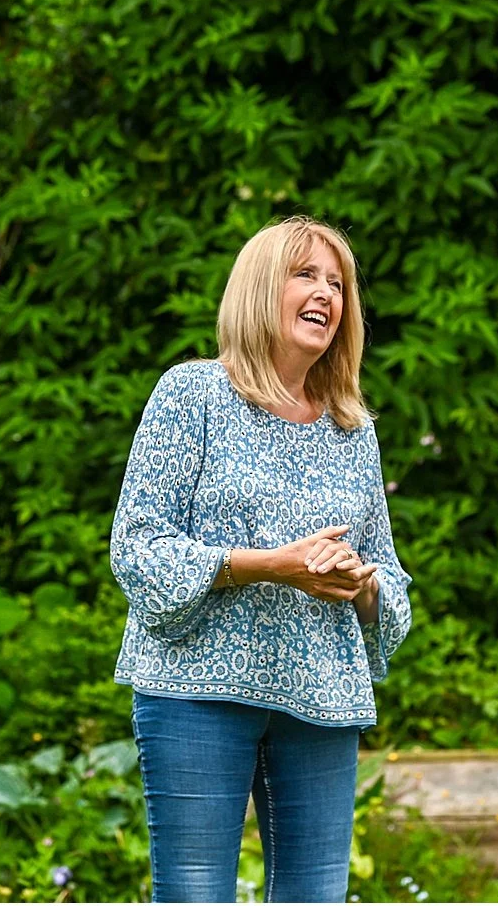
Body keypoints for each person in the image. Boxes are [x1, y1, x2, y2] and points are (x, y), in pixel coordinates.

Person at [109, 216, 414, 904]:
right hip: (196, 691)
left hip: (321, 697)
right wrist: (270, 564)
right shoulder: (191, 395)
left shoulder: (351, 428)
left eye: (337, 283)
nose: (326, 293)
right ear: (258, 289)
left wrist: (361, 585)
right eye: (306, 275)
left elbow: (389, 577)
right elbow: (138, 548)